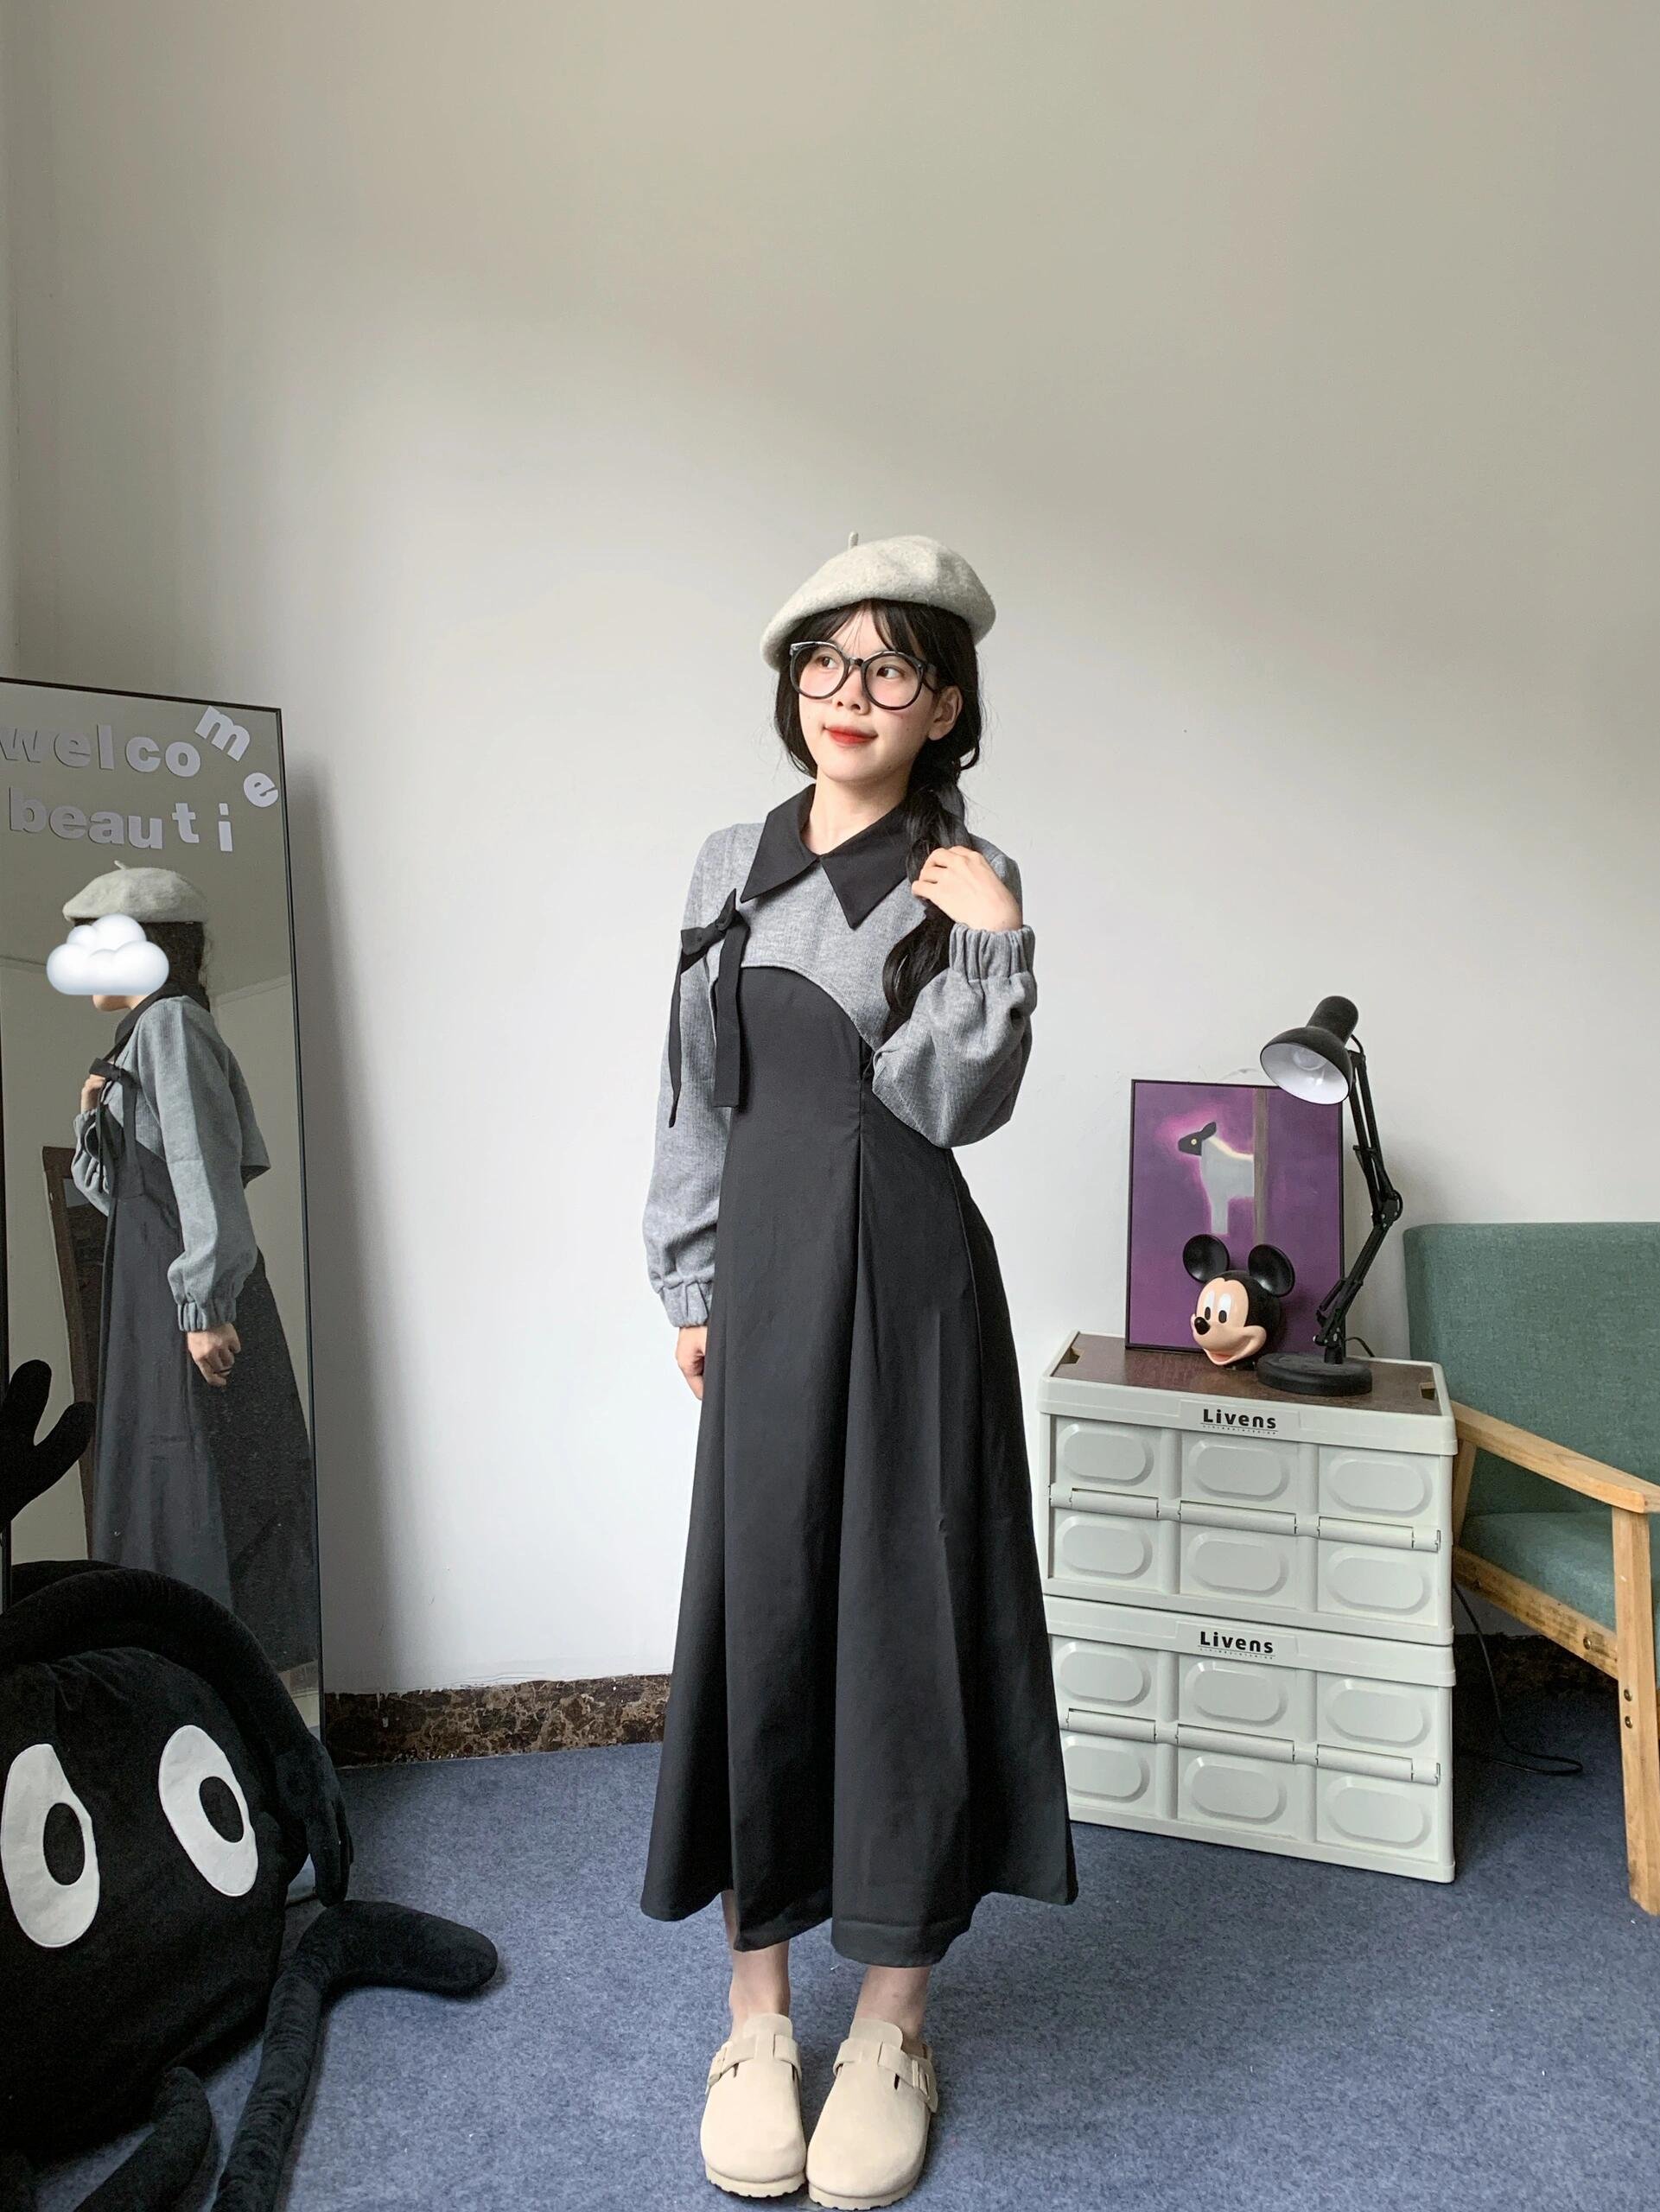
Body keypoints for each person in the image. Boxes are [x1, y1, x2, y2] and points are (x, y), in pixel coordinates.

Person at [640, 533, 1078, 2207]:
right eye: (825, 661)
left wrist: (998, 945)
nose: (852, 694)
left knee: (906, 1620)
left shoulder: (966, 871)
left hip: (907, 1284)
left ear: (945, 704)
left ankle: (893, 2019)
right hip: (761, 1278)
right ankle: (756, 2013)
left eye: (893, 667)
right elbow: (692, 1091)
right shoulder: (726, 862)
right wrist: (690, 1274)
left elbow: (950, 1106)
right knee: (761, 1609)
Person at [63, 862, 320, 1681]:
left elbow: (204, 1170)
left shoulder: (172, 1025)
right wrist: (91, 1113)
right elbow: (117, 1198)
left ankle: (224, 1686)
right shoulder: (140, 1040)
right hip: (149, 1298)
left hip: (188, 1301)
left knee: (205, 1480)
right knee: (165, 1479)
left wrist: (205, 1306)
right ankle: (179, 1678)